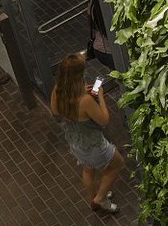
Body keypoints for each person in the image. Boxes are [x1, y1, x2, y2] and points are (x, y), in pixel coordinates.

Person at [50, 52, 124, 214]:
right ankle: (100, 199)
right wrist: (101, 96)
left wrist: (79, 91)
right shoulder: (85, 101)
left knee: (88, 169)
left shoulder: (57, 90)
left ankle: (93, 198)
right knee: (117, 164)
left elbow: (56, 113)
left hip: (76, 143)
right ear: (79, 74)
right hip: (94, 145)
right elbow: (104, 120)